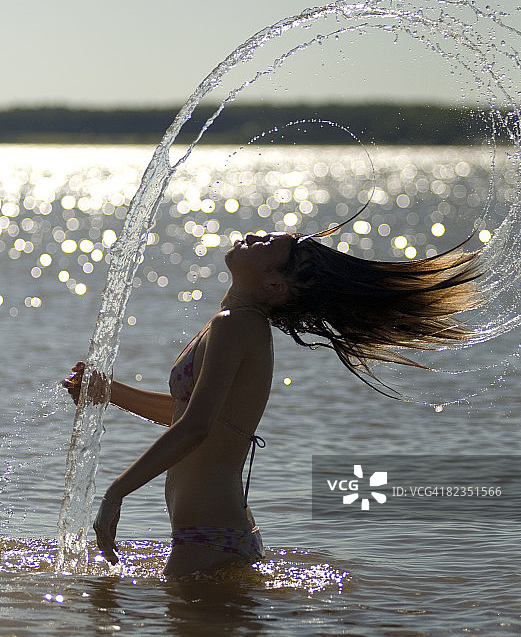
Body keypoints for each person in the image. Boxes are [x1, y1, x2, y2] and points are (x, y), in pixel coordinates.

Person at [64, 227, 480, 578]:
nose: (254, 236)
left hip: (207, 535)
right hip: (215, 530)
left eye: (267, 244)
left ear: (274, 285)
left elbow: (197, 428)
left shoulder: (237, 326)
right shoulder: (235, 324)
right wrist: (111, 393)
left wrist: (116, 493)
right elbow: (190, 416)